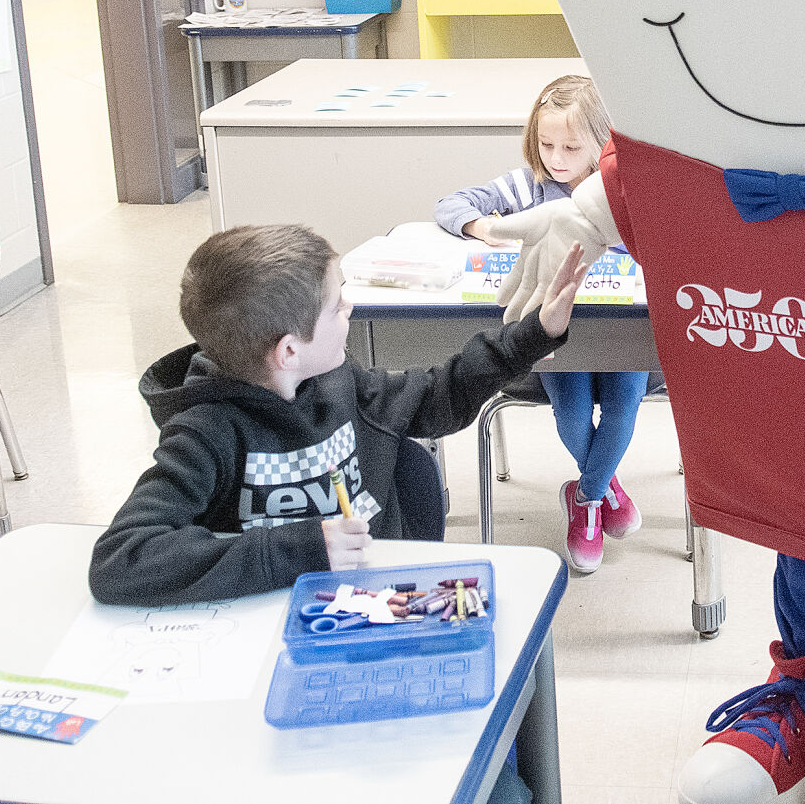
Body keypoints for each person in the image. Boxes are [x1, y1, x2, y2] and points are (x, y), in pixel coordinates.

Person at [87, 224, 585, 606]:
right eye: (335, 305)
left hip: (382, 603)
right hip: (268, 621)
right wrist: (301, 551)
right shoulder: (204, 432)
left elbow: (441, 393)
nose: (349, 307)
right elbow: (120, 560)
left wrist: (534, 332)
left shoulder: (344, 384)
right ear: (287, 351)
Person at [437, 77, 644, 574]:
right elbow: (451, 204)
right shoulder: (527, 187)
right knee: (572, 418)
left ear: (602, 143)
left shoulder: (623, 187)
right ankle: (603, 491)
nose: (557, 156)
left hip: (624, 333)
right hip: (554, 337)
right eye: (547, 144)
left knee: (622, 406)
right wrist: (485, 227)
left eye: (572, 147)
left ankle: (586, 498)